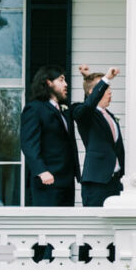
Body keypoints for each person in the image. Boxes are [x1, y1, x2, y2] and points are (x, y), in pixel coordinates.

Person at [20, 64, 80, 207]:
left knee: (65, 227)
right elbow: (28, 144)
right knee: (47, 227)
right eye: (61, 80)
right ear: (48, 82)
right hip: (48, 180)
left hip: (66, 180)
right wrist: (41, 171)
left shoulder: (63, 110)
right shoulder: (34, 108)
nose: (66, 84)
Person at [72, 65, 124, 207]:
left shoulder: (109, 116)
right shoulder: (82, 113)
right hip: (96, 182)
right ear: (93, 92)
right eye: (106, 88)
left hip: (116, 181)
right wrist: (106, 78)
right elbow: (88, 105)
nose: (110, 92)